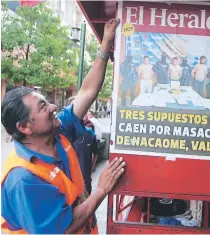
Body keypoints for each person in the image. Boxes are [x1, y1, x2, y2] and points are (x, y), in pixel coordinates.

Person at [0, 19, 125, 234]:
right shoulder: (23, 179)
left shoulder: (58, 132)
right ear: (25, 127)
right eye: (42, 107)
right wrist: (102, 190)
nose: (51, 107)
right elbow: (63, 229)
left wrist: (105, 43)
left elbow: (86, 92)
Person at [64, 97, 100, 195]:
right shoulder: (59, 133)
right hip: (66, 182)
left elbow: (95, 153)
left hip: (85, 180)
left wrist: (90, 170)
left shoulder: (89, 132)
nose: (82, 111)